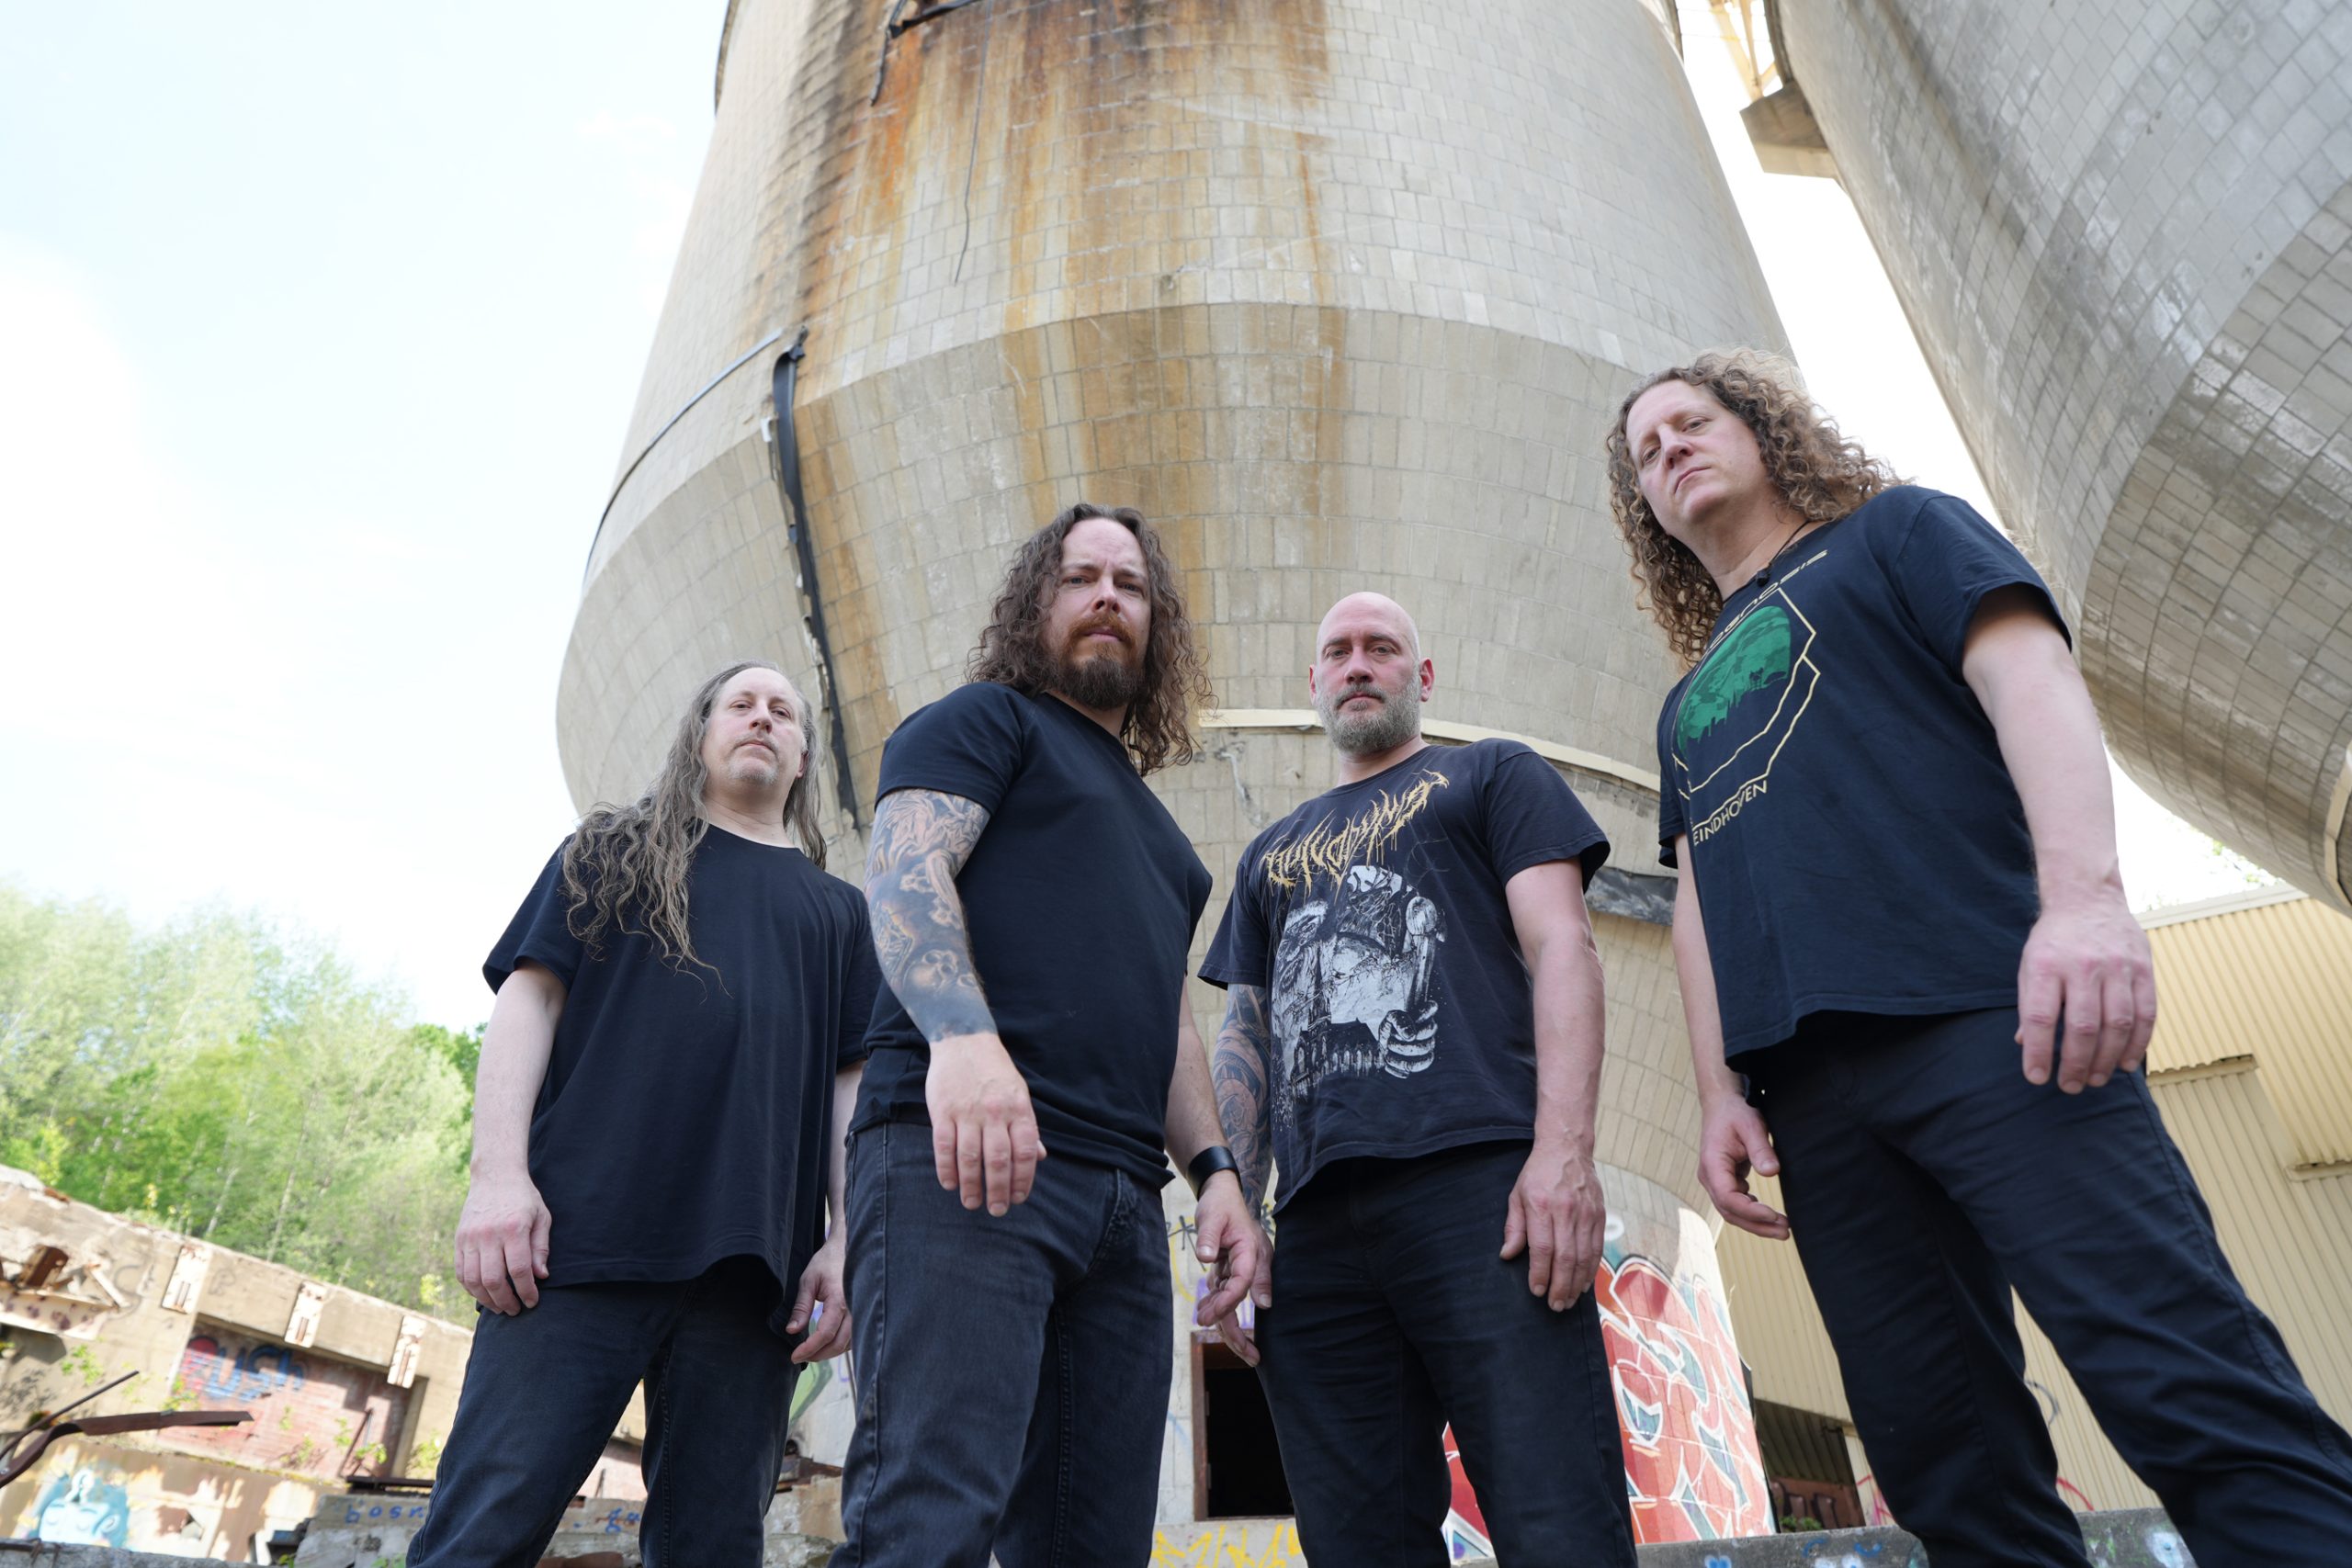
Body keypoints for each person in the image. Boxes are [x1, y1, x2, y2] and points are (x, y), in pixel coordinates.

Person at [1607, 351, 2352, 1568]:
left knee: (2180, 1375)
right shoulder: (1684, 707)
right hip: (1815, 1105)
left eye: (1691, 421)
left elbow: (2030, 675)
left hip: (1991, 1014)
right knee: (1943, 1459)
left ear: (1763, 431)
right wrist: (1716, 1091)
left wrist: (2087, 904)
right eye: (1647, 451)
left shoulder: (1899, 532)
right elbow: (1698, 902)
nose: (1670, 448)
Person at [831, 502, 1264, 1568]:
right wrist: (962, 1040)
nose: (1107, 597)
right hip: (964, 1162)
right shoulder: (984, 723)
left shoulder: (1167, 845)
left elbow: (1166, 1020)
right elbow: (904, 869)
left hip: (1123, 1210)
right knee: (928, 1521)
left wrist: (1214, 1173)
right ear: (1036, 605)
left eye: (1130, 584)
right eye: (1080, 578)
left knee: (1093, 1544)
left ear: (1158, 625)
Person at [1197, 591, 1638, 1567]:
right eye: (1337, 652)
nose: (1358, 664)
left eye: (1382, 648)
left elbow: (1563, 946)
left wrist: (1564, 1155)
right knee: (1358, 1542)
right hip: (1316, 1228)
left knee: (1557, 1517)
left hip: (1481, 1190)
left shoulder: (1491, 774)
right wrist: (1238, 1204)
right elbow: (1247, 1034)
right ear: (1313, 683)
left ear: (1423, 676)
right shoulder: (1270, 854)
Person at [407, 660, 879, 1568]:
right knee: (482, 1531)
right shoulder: (609, 852)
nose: (762, 718)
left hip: (753, 1280)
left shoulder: (839, 914)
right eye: (741, 703)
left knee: (713, 1549)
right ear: (699, 734)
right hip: (572, 1245)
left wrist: (847, 1236)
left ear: (803, 758)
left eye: (784, 712)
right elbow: (528, 1001)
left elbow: (847, 1088)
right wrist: (497, 1177)